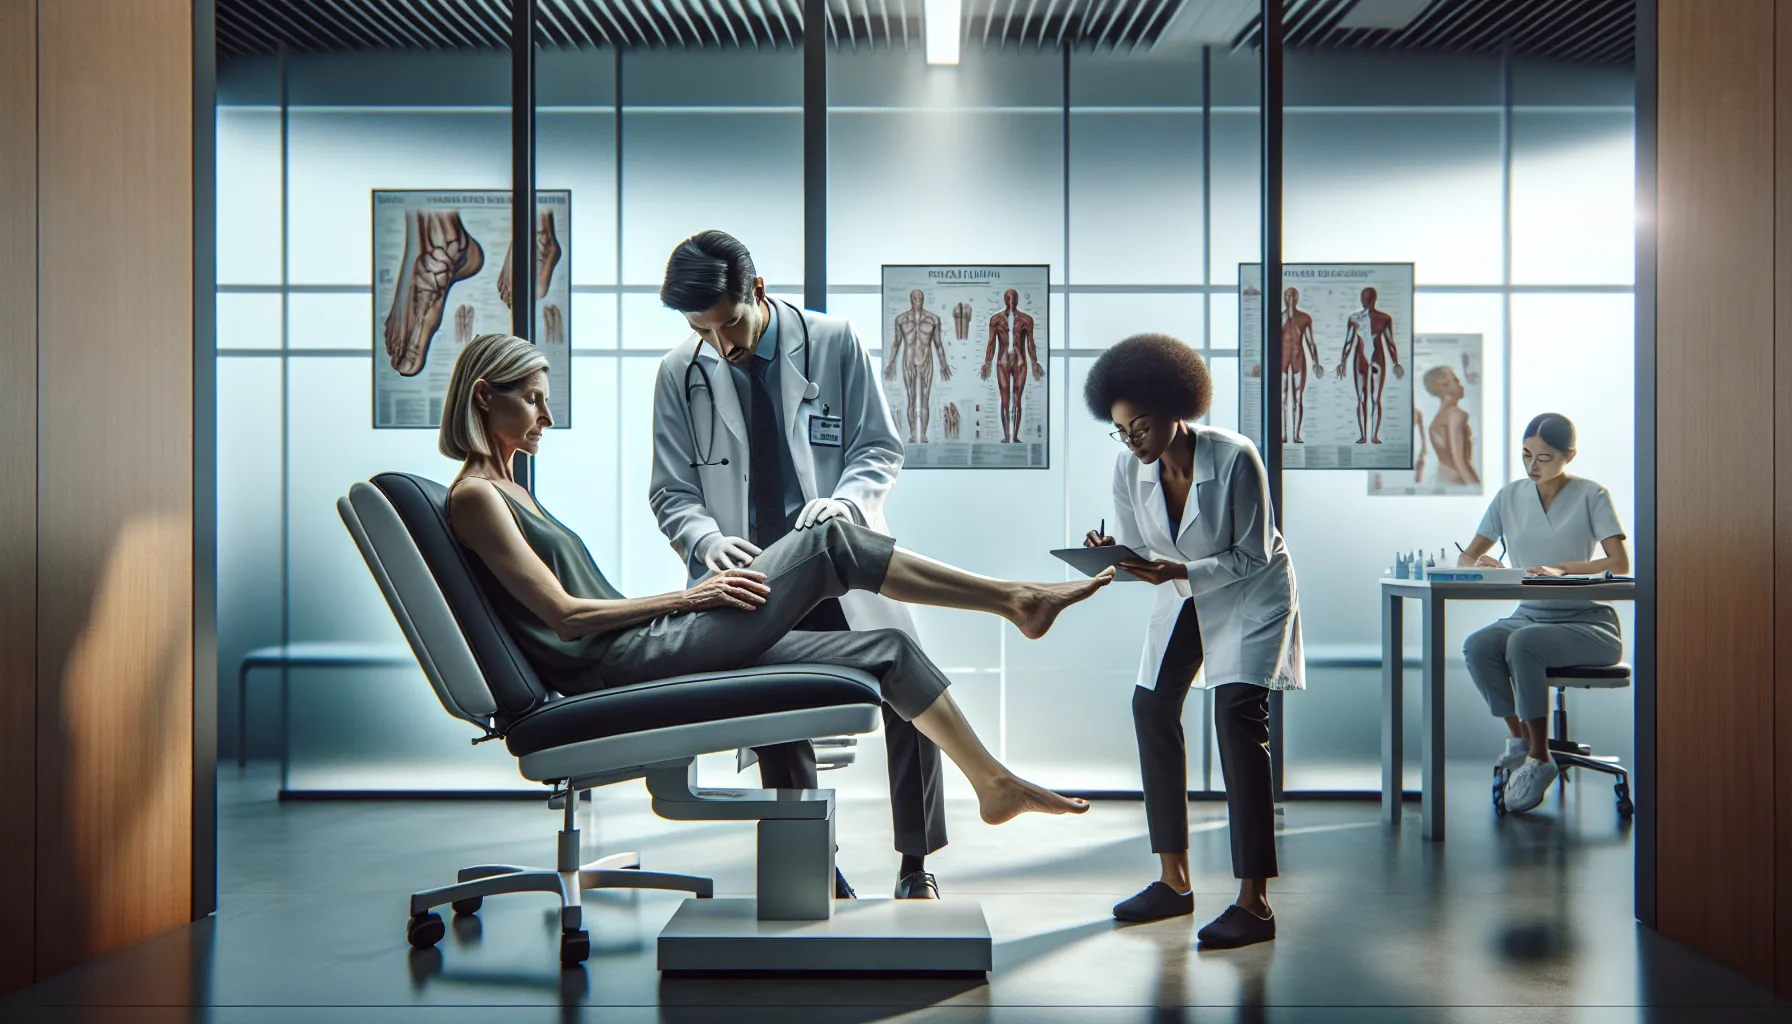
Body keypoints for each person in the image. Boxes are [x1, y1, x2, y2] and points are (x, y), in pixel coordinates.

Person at [441, 333, 1104, 838]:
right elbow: (563, 617)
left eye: (543, 398)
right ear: (482, 396)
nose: (545, 416)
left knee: (888, 651)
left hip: (640, 644)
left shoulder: (509, 490)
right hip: (620, 663)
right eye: (531, 397)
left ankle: (991, 784)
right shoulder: (476, 499)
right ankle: (1016, 599)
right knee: (826, 541)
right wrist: (692, 594)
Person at [646, 231, 943, 901]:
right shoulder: (678, 370)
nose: (721, 347)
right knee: (778, 707)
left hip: (837, 549)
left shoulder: (834, 341)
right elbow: (670, 490)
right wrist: (704, 540)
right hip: (753, 571)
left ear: (757, 290)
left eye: (728, 326)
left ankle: (915, 861)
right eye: (703, 332)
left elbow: (878, 448)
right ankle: (814, 861)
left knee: (912, 690)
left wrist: (844, 502)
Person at [1081, 334, 1304, 950]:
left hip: (1252, 591)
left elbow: (1253, 552)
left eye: (1139, 426)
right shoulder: (1130, 465)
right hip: (1185, 588)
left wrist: (1177, 571)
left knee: (1237, 718)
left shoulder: (1236, 457)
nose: (1131, 440)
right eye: (1120, 430)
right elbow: (1141, 549)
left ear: (1175, 407)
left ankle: (1254, 902)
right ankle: (1173, 881)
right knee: (1151, 707)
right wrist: (1117, 558)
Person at [1455, 413, 1629, 813]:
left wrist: (1562, 567)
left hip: (1585, 625)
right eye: (1526, 456)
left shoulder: (1592, 495)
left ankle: (1539, 758)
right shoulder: (1509, 497)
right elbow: (1468, 555)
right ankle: (1520, 741)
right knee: (1479, 645)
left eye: (1544, 458)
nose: (1533, 467)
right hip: (1529, 615)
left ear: (1569, 455)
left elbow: (1618, 562)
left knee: (1523, 643)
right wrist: (1478, 562)